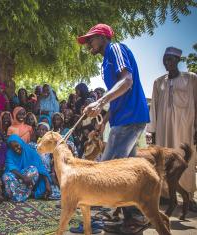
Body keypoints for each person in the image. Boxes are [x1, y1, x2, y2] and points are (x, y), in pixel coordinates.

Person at [75, 23, 150, 234]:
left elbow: (127, 81)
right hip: (124, 118)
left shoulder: (115, 49)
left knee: (105, 172)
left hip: (129, 119)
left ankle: (99, 220)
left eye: (91, 38)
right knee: (125, 175)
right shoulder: (106, 62)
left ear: (103, 37)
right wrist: (104, 120)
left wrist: (99, 103)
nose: (88, 43)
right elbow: (118, 95)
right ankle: (133, 218)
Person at [146, 46, 197, 211]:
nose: (167, 62)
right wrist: (152, 132)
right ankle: (166, 195)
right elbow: (153, 107)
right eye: (165, 59)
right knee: (164, 161)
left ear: (178, 60)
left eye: (170, 59)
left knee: (185, 159)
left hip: (185, 128)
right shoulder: (158, 82)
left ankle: (188, 196)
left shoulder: (191, 79)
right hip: (163, 128)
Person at [2, 134, 52, 202]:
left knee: (33, 170)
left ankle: (18, 195)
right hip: (17, 177)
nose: (16, 149)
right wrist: (23, 177)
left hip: (28, 180)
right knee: (6, 176)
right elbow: (11, 167)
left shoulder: (30, 151)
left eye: (17, 146)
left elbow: (40, 167)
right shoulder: (10, 153)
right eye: (13, 148)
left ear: (20, 142)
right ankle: (27, 194)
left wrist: (47, 183)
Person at [29, 122, 61, 200]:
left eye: (44, 130)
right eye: (39, 129)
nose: (41, 131)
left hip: (48, 172)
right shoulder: (32, 145)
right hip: (38, 172)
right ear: (36, 131)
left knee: (56, 193)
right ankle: (34, 192)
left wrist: (53, 173)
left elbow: (54, 160)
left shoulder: (52, 145)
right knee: (43, 190)